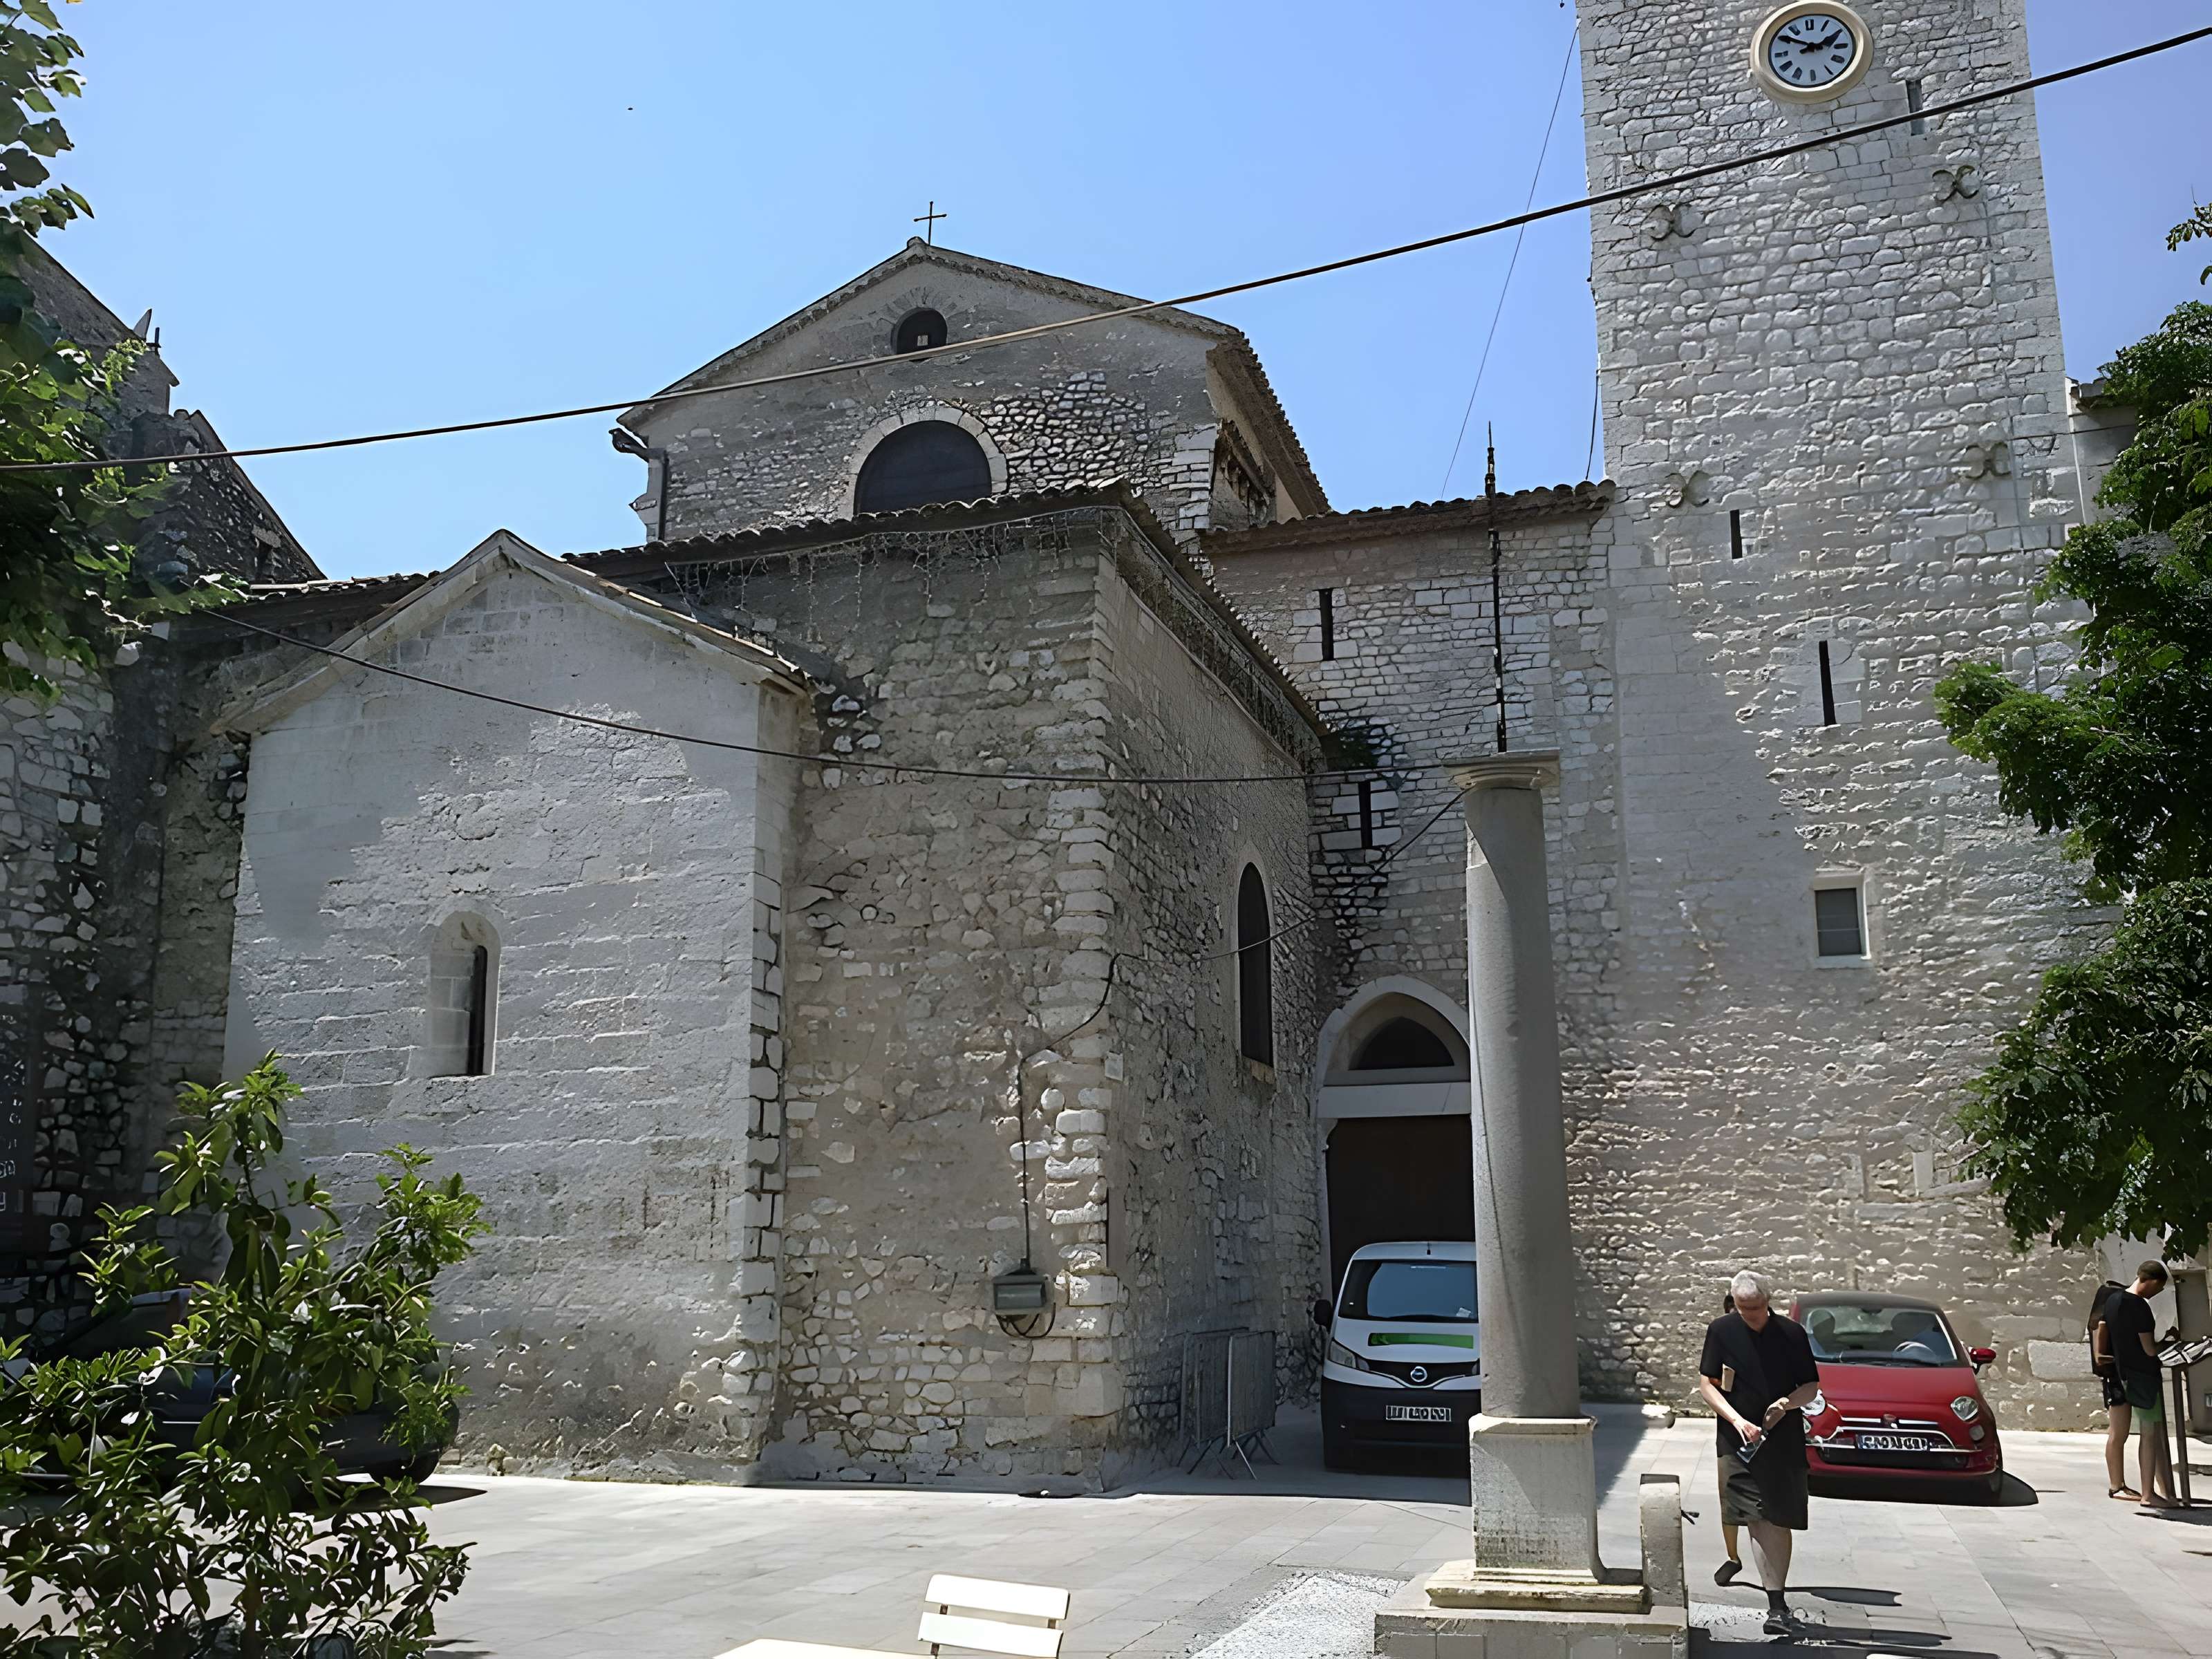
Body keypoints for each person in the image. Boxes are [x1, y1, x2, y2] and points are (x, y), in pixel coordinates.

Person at [1699, 1271, 1822, 1638]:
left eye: (1756, 1308)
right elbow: (1707, 1383)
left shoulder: (1791, 1334)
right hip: (1738, 1440)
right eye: (1743, 1308)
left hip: (1782, 1439)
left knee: (1777, 1518)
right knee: (1754, 1516)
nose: (1750, 1315)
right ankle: (1777, 1604)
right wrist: (1736, 1420)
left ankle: (1777, 1599)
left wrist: (1786, 1404)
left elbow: (1811, 1387)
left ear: (1768, 1300)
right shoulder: (1721, 1331)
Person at [2104, 1262, 2177, 1509]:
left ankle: (2124, 1486)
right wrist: (2166, 1344)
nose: (2156, 1294)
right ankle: (2149, 1493)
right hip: (2143, 1377)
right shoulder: (2140, 1306)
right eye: (2158, 1289)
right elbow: (2148, 1349)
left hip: (2121, 1373)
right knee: (2149, 1434)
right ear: (2153, 1282)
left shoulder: (2113, 1301)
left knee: (2119, 1434)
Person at [2088, 1277, 2136, 1499]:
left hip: (2115, 1378)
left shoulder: (2100, 1322)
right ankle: (2117, 1485)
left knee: (2118, 1434)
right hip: (2115, 1379)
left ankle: (2118, 1484)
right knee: (2118, 1434)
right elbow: (2101, 1356)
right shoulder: (2103, 1323)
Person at [1714, 1289, 1745, 1586]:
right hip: (1730, 1431)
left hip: (1767, 1428)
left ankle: (1771, 1565)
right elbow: (1714, 1388)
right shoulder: (1720, 1343)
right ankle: (1733, 1558)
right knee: (1729, 1496)